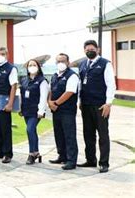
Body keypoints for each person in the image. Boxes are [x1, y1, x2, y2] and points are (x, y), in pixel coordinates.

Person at [77, 40, 115, 173]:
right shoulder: (82, 64)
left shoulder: (105, 64)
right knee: (88, 134)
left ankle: (104, 163)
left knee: (103, 135)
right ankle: (90, 160)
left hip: (101, 105)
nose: (90, 51)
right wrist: (80, 101)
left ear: (98, 49)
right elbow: (80, 84)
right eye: (87, 49)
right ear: (84, 51)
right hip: (86, 105)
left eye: (92, 48)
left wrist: (108, 103)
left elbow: (111, 84)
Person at [48, 53, 79, 170]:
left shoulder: (72, 76)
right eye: (58, 61)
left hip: (67, 111)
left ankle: (71, 160)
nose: (60, 63)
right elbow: (51, 90)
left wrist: (56, 103)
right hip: (56, 110)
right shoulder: (55, 75)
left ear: (68, 62)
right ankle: (62, 156)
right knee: (59, 134)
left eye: (63, 61)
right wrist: (50, 102)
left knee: (69, 135)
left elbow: (69, 92)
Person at [0, 47, 18, 163]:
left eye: (3, 54)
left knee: (5, 128)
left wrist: (10, 103)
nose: (0, 55)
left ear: (7, 55)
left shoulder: (11, 68)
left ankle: (7, 153)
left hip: (4, 102)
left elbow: (13, 86)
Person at [19, 59, 49, 164]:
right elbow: (22, 95)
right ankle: (36, 152)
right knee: (32, 131)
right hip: (26, 110)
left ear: (38, 67)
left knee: (29, 129)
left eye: (34, 65)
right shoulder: (24, 80)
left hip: (36, 111)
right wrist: (20, 108)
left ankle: (31, 154)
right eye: (30, 65)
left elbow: (43, 96)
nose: (32, 66)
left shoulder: (42, 80)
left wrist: (41, 111)